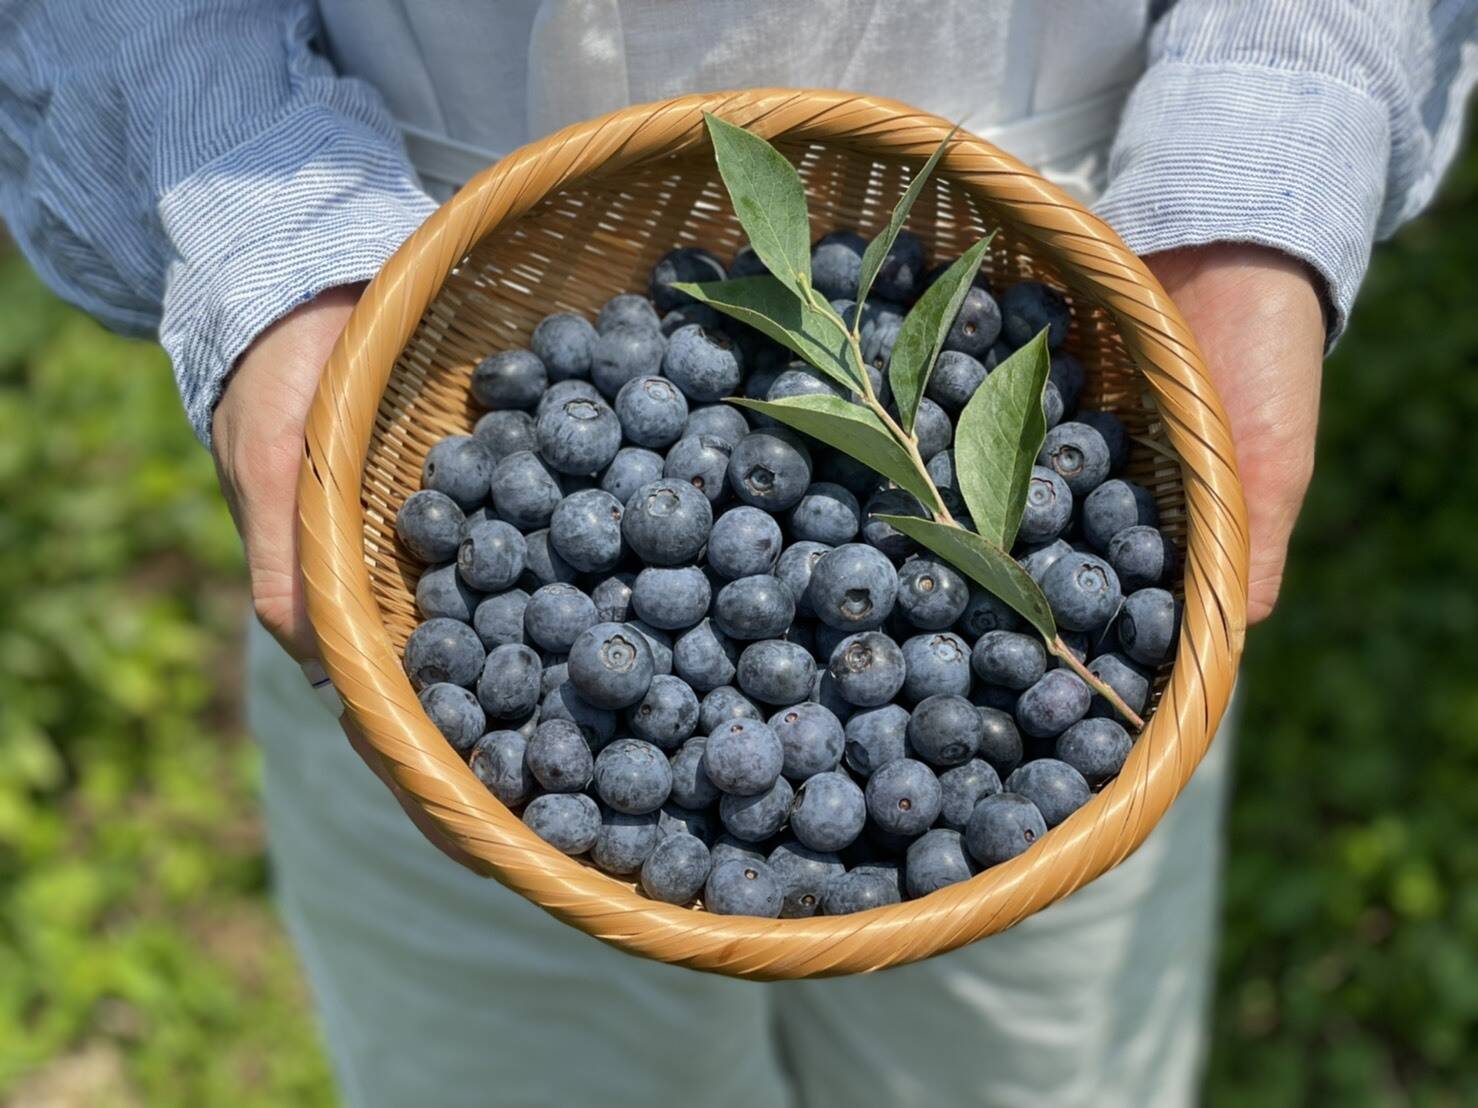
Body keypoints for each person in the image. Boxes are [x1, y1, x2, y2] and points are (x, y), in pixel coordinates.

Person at [2, 3, 1474, 1105]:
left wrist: (1258, 187)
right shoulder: (581, 509)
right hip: (406, 279)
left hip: (1069, 246)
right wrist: (265, 239)